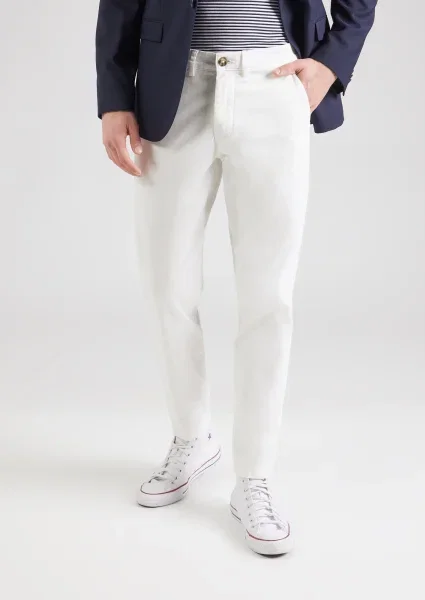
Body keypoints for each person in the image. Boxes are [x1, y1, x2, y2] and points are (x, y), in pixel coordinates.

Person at [96, 0, 377, 556]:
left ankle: (255, 474)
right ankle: (192, 436)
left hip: (274, 81)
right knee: (165, 282)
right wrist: (113, 96)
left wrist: (332, 61)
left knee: (268, 296)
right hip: (173, 85)